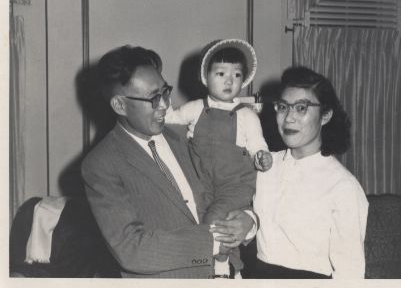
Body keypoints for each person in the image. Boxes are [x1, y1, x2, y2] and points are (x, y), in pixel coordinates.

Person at [81, 45, 255, 278]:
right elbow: (132, 250)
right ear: (120, 105)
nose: (165, 105)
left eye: (165, 92)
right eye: (153, 98)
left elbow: (230, 182)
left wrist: (250, 221)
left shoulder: (189, 134)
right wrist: (212, 243)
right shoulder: (101, 165)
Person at [252, 67, 369, 279]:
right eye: (283, 107)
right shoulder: (264, 165)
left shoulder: (343, 186)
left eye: (301, 108)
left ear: (325, 115)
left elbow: (350, 273)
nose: (288, 118)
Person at [166, 38, 273, 225]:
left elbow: (258, 146)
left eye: (237, 75)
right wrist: (163, 101)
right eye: (221, 73)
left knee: (214, 220)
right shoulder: (195, 108)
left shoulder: (247, 116)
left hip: (235, 186)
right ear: (205, 78)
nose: (229, 81)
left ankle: (221, 254)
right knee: (191, 219)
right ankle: (216, 253)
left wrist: (263, 157)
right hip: (201, 184)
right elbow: (170, 119)